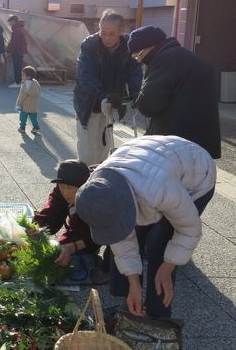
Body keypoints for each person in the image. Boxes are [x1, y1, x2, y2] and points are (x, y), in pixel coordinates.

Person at [76, 135, 216, 318]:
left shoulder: (161, 191)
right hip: (152, 158)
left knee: (160, 246)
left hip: (197, 172)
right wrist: (133, 283)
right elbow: (121, 239)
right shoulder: (97, 189)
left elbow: (189, 230)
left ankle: (158, 316)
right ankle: (131, 301)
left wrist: (168, 267)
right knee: (127, 238)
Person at [128, 25, 221, 159]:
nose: (139, 60)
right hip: (201, 143)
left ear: (149, 46)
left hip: (176, 146)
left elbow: (147, 105)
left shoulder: (164, 60)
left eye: (138, 54)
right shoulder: (186, 56)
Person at [73, 9, 142, 166]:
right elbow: (86, 75)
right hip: (88, 101)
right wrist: (102, 95)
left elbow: (135, 72)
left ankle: (101, 180)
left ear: (120, 32)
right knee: (88, 148)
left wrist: (135, 94)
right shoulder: (89, 46)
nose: (106, 37)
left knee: (105, 143)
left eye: (112, 33)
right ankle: (84, 180)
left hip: (111, 100)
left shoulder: (128, 46)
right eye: (103, 32)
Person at [28, 160, 109, 285]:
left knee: (118, 252)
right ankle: (88, 254)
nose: (65, 193)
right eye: (62, 187)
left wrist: (75, 246)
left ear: (83, 186)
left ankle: (106, 268)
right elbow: (52, 211)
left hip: (116, 223)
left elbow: (105, 230)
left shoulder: (98, 194)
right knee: (63, 251)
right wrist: (39, 225)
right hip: (80, 226)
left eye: (70, 188)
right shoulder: (61, 189)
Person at [16, 66, 41, 134]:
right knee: (33, 117)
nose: (22, 75)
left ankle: (22, 128)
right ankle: (36, 127)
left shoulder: (25, 84)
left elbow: (22, 95)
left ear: (28, 77)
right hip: (34, 105)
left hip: (25, 105)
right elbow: (38, 91)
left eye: (23, 74)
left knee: (23, 117)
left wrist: (18, 104)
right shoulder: (36, 82)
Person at [6, 16, 28, 89]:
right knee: (18, 67)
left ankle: (17, 82)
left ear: (14, 21)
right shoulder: (20, 28)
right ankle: (19, 82)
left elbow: (15, 43)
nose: (10, 23)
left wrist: (9, 51)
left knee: (17, 67)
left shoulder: (17, 30)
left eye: (10, 21)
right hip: (20, 51)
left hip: (17, 51)